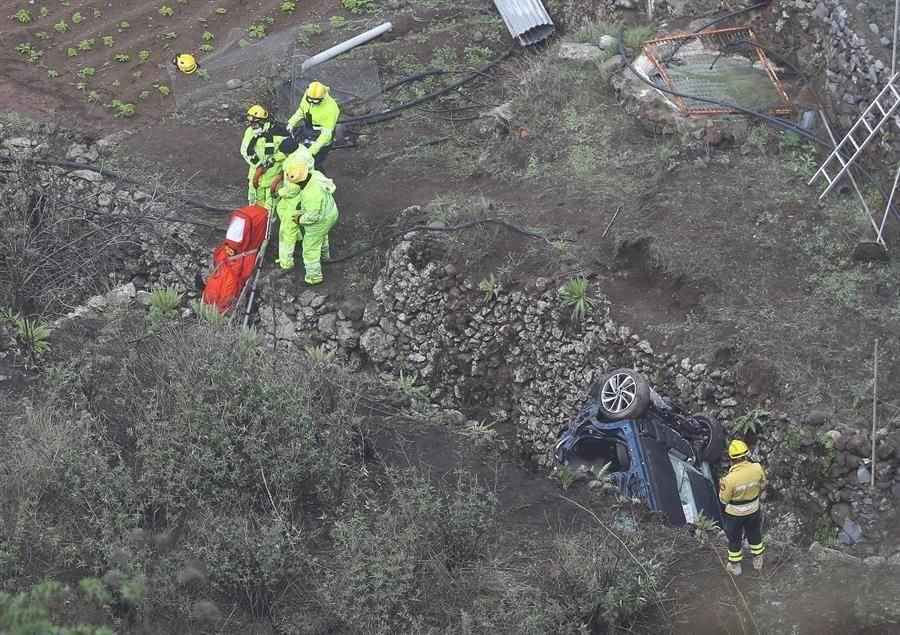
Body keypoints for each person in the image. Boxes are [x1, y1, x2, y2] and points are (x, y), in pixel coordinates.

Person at [274, 163, 338, 285]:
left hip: (320, 222)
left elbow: (313, 217)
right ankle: (325, 258)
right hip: (331, 212)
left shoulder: (311, 195)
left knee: (309, 249)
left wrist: (299, 219)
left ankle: (314, 278)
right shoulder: (315, 175)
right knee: (322, 237)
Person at [719, 439, 767, 576]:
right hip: (753, 510)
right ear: (746, 455)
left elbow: (724, 499)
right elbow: (762, 484)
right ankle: (758, 562)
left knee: (735, 538)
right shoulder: (757, 468)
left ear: (731, 458)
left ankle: (735, 567)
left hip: (735, 515)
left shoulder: (729, 479)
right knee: (754, 534)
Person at [240, 104, 289, 205]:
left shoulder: (278, 134)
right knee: (254, 201)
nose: (252, 126)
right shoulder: (249, 132)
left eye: (254, 123)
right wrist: (258, 165)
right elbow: (244, 150)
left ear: (262, 122)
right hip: (255, 175)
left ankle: (270, 220)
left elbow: (287, 152)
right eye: (250, 123)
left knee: (271, 204)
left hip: (272, 175)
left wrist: (273, 159)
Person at [286, 81, 340, 169]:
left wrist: (312, 151)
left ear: (323, 98)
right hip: (308, 132)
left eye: (315, 101)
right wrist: (291, 122)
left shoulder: (331, 109)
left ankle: (318, 178)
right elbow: (301, 110)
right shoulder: (309, 95)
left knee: (315, 164)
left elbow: (326, 135)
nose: (311, 103)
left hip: (321, 141)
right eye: (309, 100)